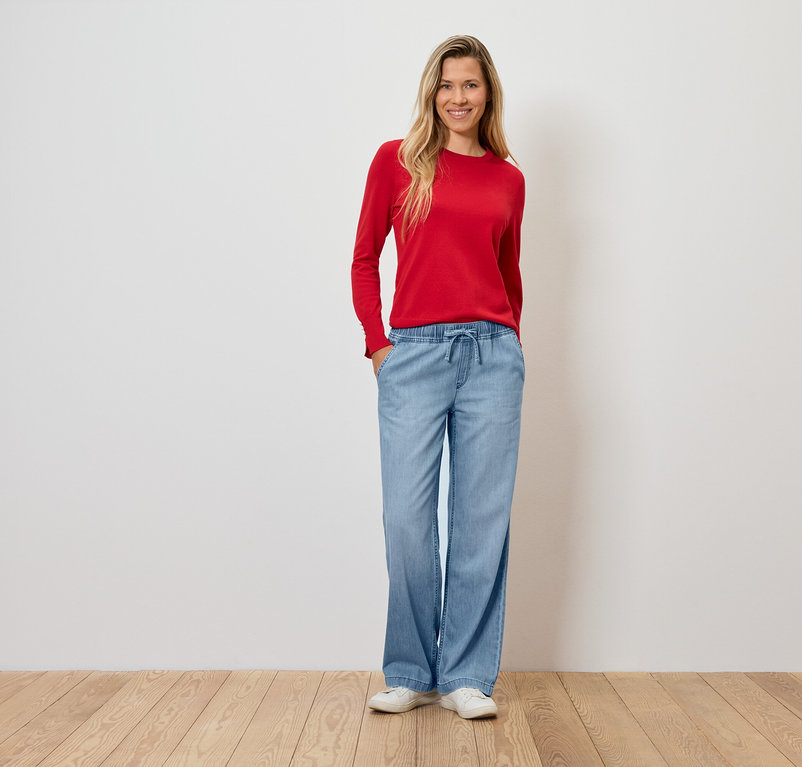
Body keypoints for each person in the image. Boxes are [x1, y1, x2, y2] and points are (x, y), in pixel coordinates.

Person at [351, 34, 525, 720]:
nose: (458, 97)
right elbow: (364, 259)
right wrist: (379, 347)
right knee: (406, 519)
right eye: (448, 85)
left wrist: (509, 341)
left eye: (471, 85)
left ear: (488, 94)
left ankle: (465, 675)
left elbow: (509, 275)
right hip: (414, 355)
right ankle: (410, 669)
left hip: (493, 357)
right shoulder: (396, 164)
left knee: (481, 522)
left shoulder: (509, 177)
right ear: (432, 91)